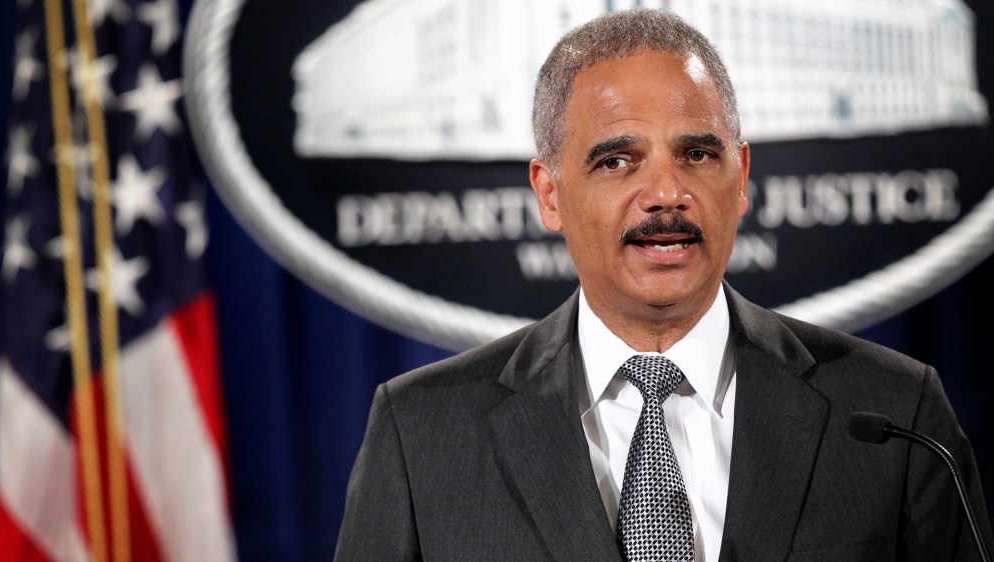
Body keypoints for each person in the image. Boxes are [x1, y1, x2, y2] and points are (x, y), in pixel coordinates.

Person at [334, 9, 992, 561]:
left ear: (741, 176)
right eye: (618, 160)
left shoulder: (895, 416)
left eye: (697, 154)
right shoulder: (422, 434)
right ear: (550, 193)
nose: (667, 194)